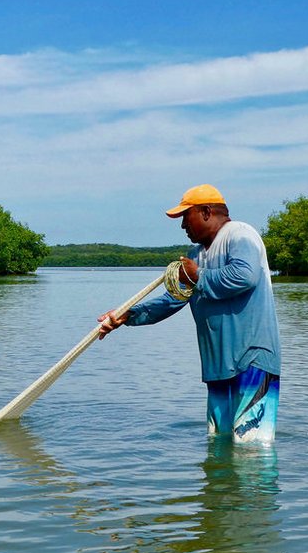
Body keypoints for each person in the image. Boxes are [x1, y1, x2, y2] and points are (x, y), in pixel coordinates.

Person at [97, 184, 281, 443]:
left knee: (252, 447)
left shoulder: (240, 234)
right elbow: (173, 299)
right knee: (219, 442)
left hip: (251, 360)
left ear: (206, 212)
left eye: (186, 216)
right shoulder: (197, 255)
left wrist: (198, 275)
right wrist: (127, 316)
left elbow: (245, 276)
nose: (183, 225)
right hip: (218, 366)